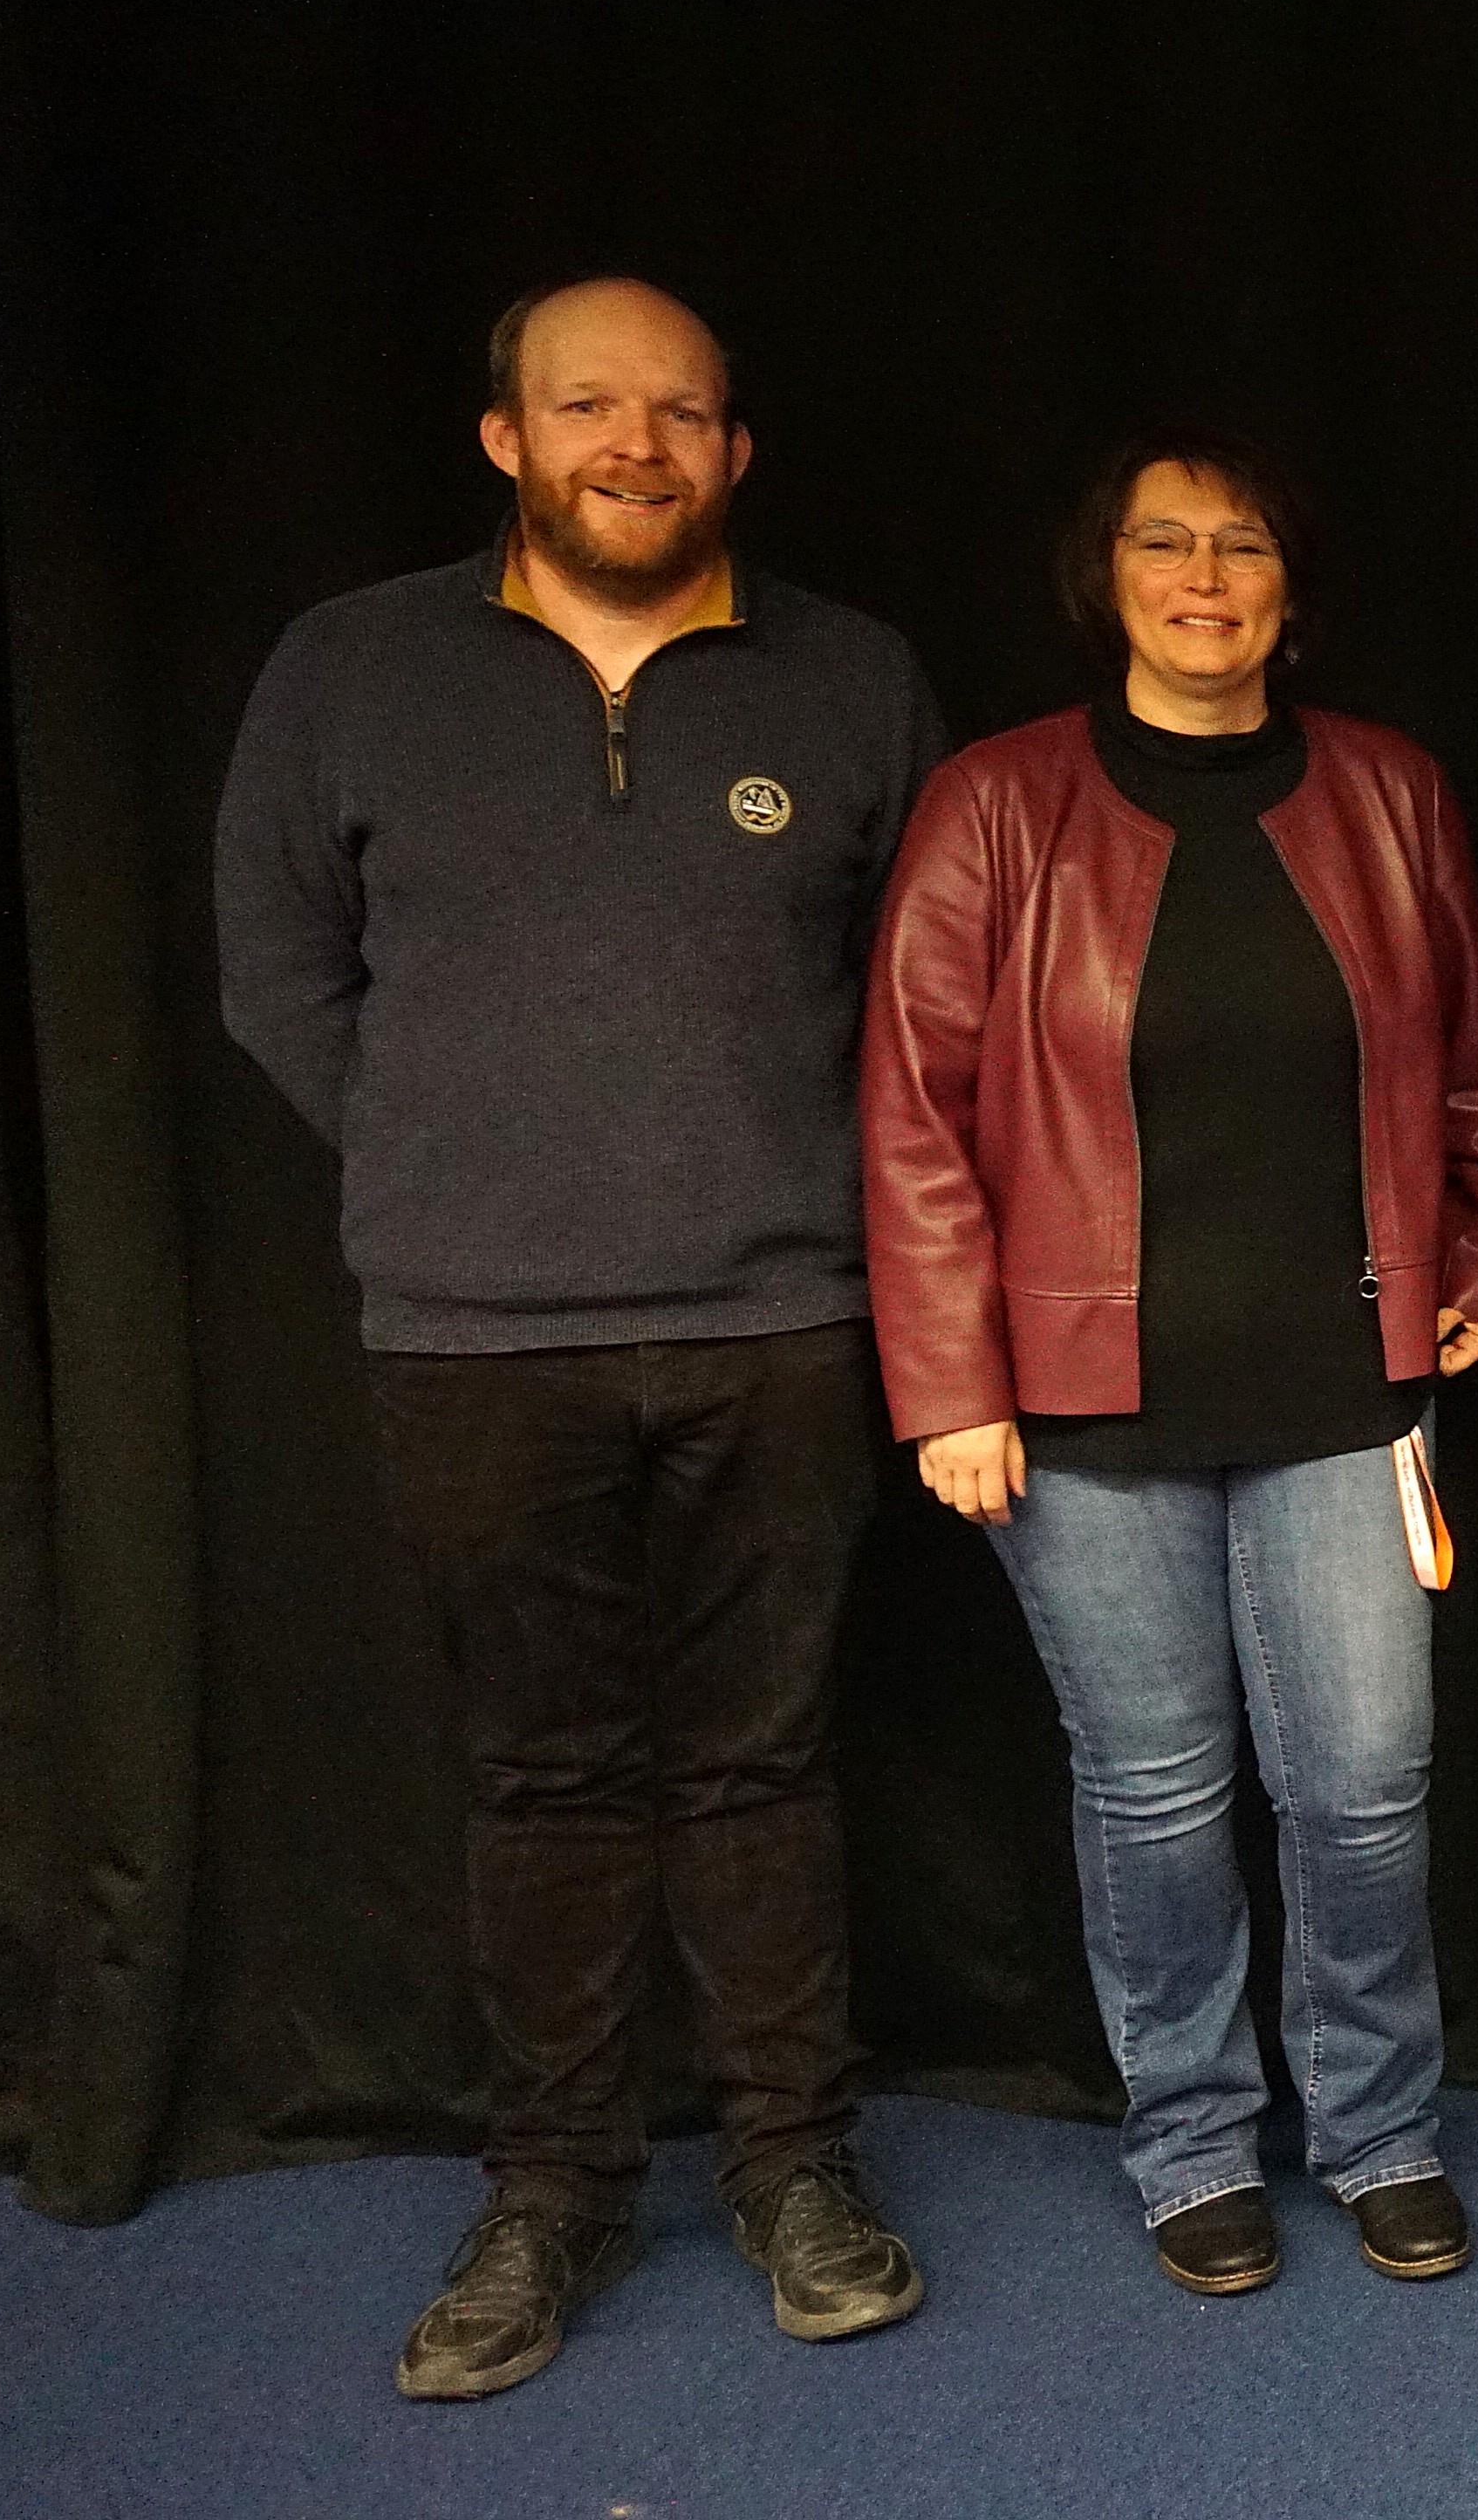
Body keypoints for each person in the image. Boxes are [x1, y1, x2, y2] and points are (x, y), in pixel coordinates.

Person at [213, 277, 946, 2398]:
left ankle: (795, 2164)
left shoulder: (853, 679)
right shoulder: (351, 667)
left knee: (763, 1761)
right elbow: (279, 974)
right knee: (540, 1773)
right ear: (506, 437)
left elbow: (923, 998)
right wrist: (450, 1161)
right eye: (589, 406)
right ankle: (553, 2185)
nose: (637, 444)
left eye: (681, 412)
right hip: (476, 1334)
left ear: (736, 450)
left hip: (782, 1317)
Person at [860, 435, 1478, 2297]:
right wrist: (949, 1384)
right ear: (1111, 579)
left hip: (1343, 1383)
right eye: (1164, 543)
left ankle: (1378, 2127)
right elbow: (915, 1113)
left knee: (1365, 1784)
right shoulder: (997, 805)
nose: (1204, 576)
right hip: (1082, 1410)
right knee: (1156, 1796)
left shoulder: (1388, 793)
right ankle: (1191, 2139)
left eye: (1240, 544)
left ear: (1288, 586)